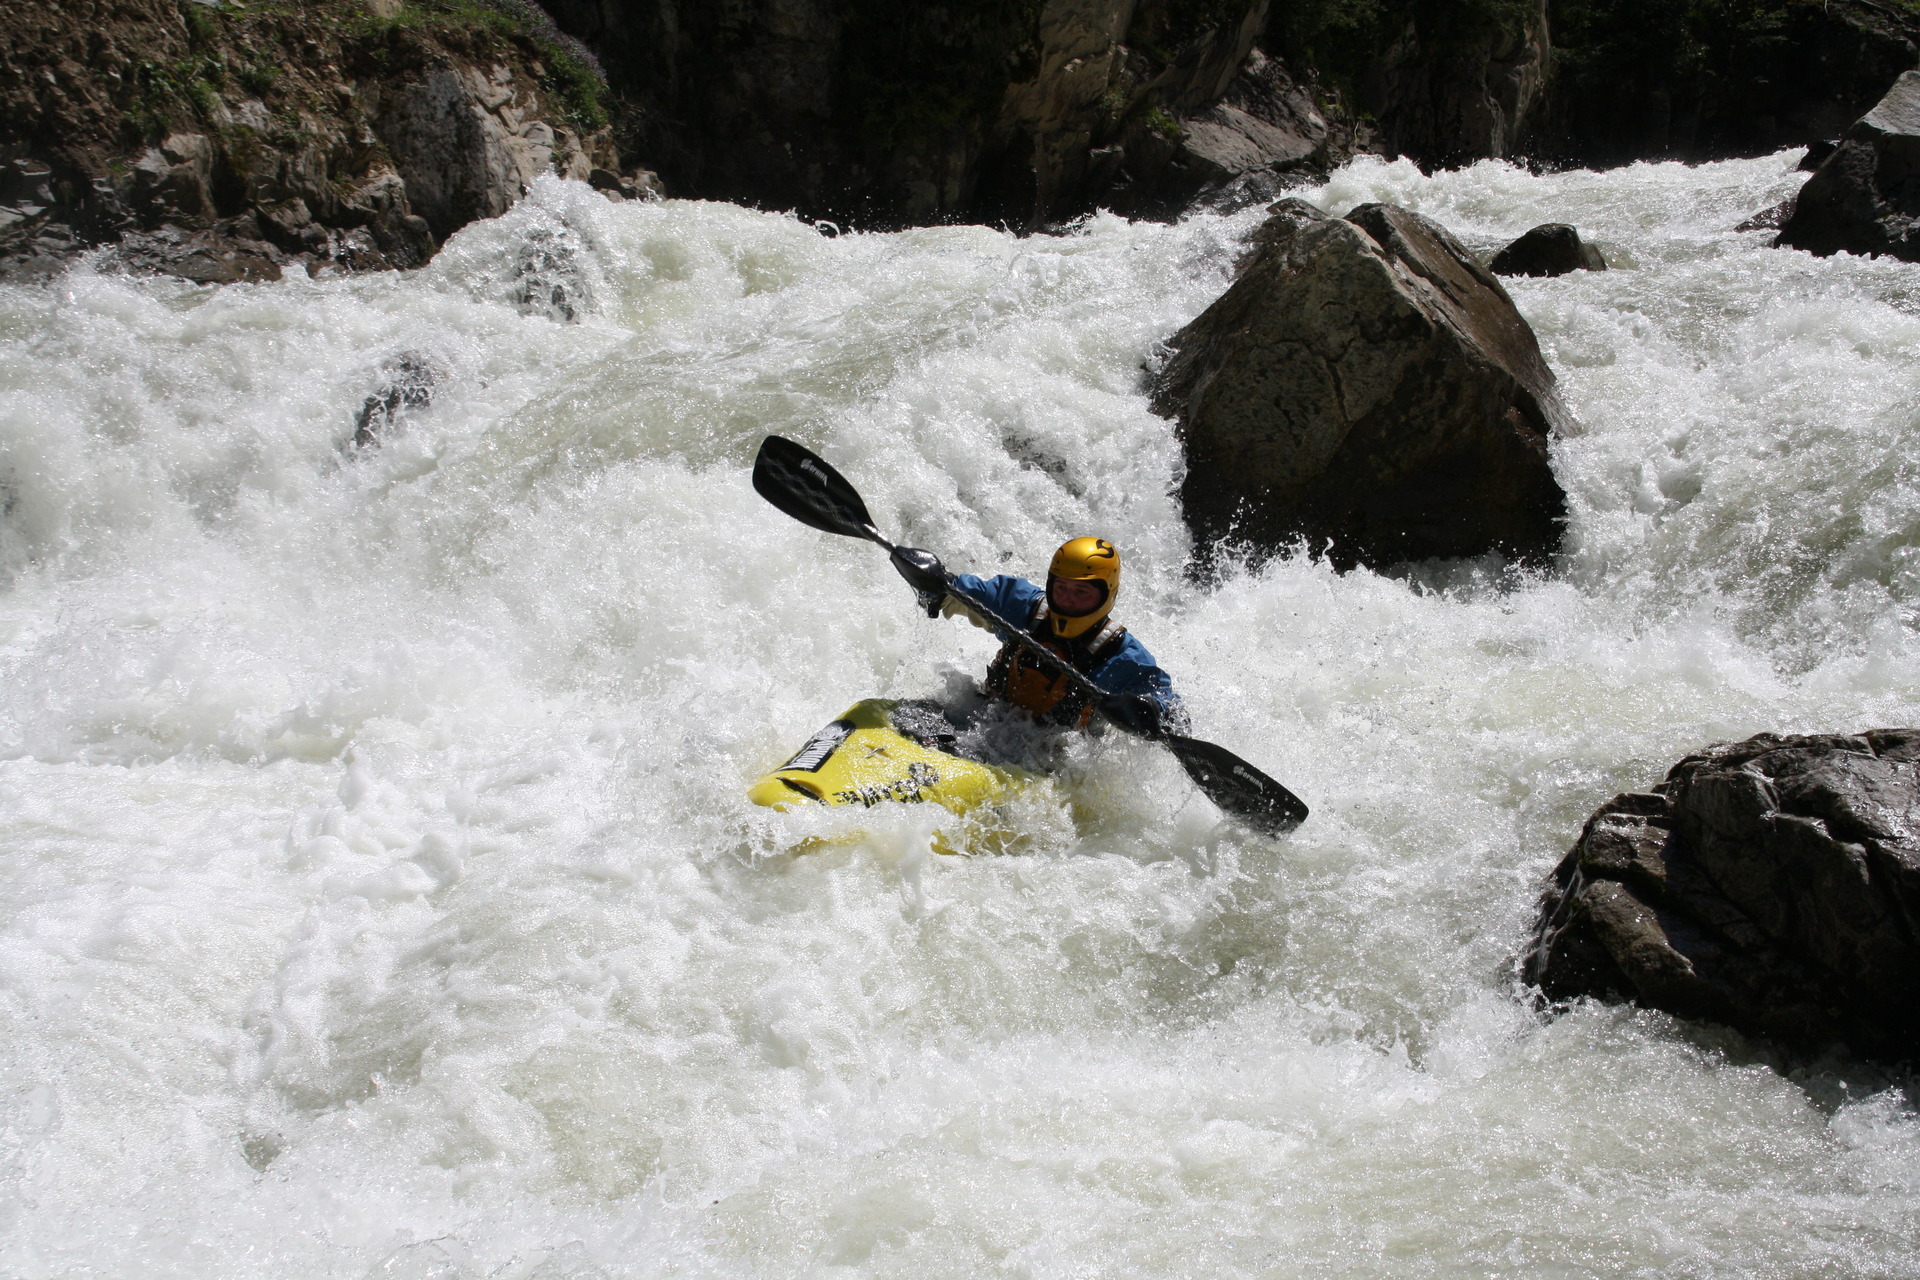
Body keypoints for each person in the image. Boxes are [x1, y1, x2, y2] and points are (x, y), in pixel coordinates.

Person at [890, 536, 1189, 738]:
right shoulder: (1023, 605)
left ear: (1106, 594)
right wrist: (934, 583)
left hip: (1052, 757)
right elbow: (961, 594)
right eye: (1062, 588)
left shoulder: (1121, 654)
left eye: (1081, 592)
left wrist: (1150, 709)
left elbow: (1174, 713)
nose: (1068, 600)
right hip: (988, 721)